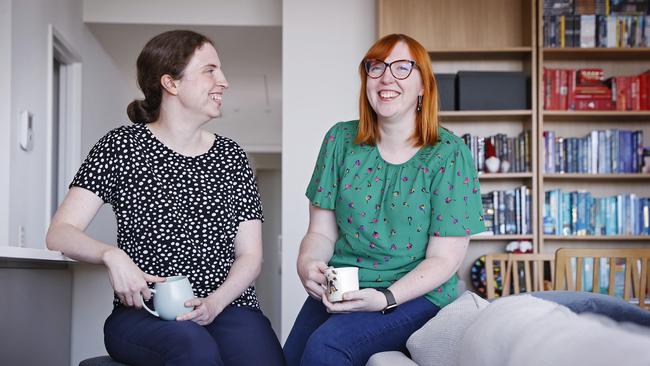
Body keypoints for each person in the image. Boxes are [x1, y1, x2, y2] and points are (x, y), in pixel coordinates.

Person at [46, 30, 285, 366]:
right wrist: (111, 255)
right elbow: (59, 232)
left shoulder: (232, 156)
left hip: (228, 307)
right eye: (210, 70)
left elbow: (250, 256)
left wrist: (215, 303)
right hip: (144, 313)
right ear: (171, 83)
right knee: (195, 349)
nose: (224, 81)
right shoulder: (121, 147)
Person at [283, 33, 487, 366]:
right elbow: (320, 232)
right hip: (343, 287)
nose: (386, 77)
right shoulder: (339, 139)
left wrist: (385, 298)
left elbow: (444, 259)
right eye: (376, 67)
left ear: (423, 85)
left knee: (326, 348)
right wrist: (307, 265)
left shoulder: (449, 154)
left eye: (403, 67)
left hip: (414, 294)